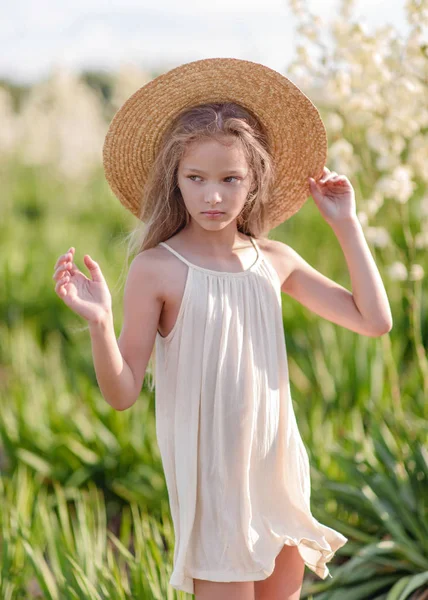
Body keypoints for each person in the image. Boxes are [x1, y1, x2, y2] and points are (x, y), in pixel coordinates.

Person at [52, 58, 393, 600]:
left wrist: (347, 225)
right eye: (197, 179)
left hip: (277, 477)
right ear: (176, 181)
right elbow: (122, 394)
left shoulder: (274, 259)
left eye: (230, 179)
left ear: (254, 180)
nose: (214, 196)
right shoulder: (156, 269)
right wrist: (100, 323)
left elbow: (374, 321)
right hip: (214, 487)